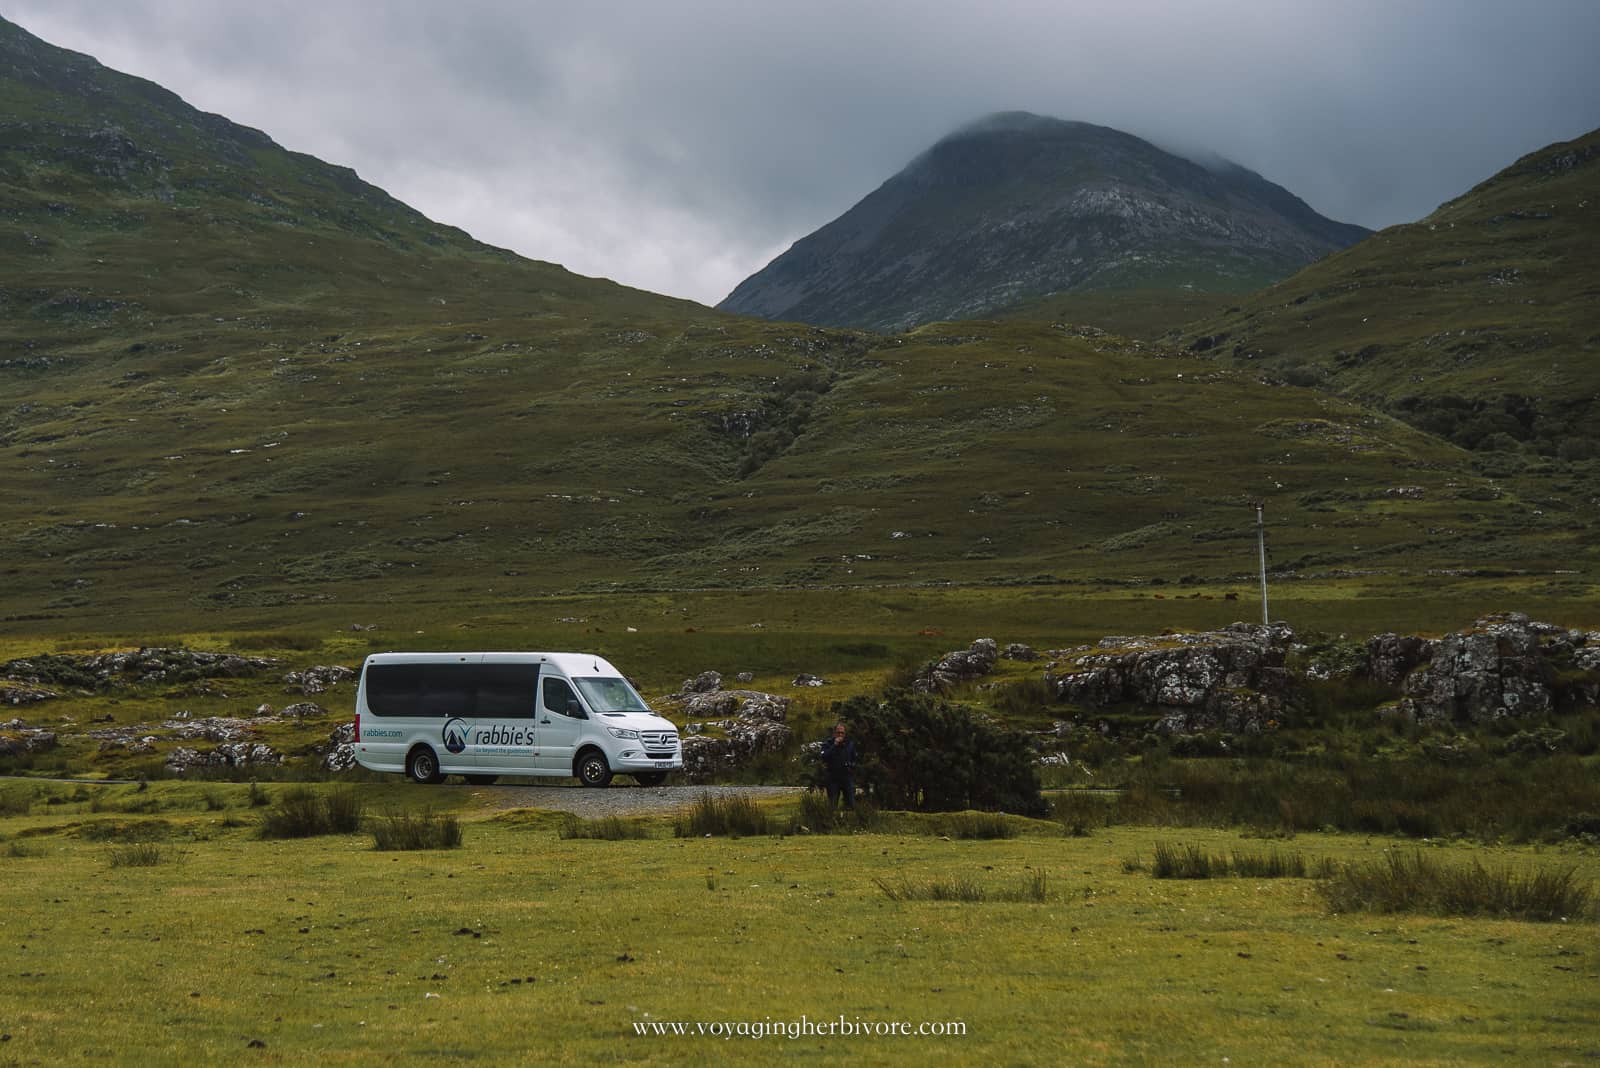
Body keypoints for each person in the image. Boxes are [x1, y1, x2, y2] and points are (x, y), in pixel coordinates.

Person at [819, 721, 857, 809]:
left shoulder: (849, 744)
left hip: (846, 776)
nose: (840, 735)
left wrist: (852, 766)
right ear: (834, 733)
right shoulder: (828, 743)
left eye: (842, 733)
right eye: (838, 732)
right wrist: (834, 745)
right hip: (833, 777)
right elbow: (824, 756)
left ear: (845, 733)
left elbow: (854, 758)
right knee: (832, 805)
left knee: (851, 804)